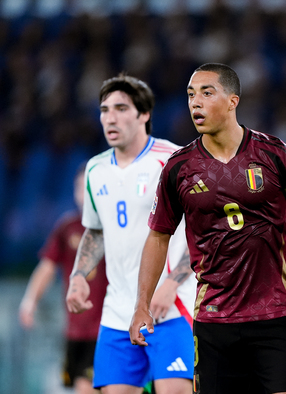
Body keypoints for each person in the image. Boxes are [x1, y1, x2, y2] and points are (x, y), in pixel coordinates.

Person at [129, 63, 286, 394]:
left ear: (232, 101)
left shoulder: (276, 155)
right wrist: (142, 302)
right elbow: (158, 236)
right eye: (190, 95)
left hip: (276, 316)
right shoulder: (178, 170)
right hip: (213, 322)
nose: (195, 102)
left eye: (206, 93)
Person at [66, 74, 196, 394]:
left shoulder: (173, 160)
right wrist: (79, 274)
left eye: (121, 108)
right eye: (104, 109)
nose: (110, 117)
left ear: (144, 114)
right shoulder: (95, 171)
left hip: (171, 306)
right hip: (118, 311)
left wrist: (172, 283)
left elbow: (204, 230)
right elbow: (96, 230)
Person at [19, 165, 107, 394]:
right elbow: (46, 267)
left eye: (91, 188)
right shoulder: (67, 227)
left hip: (110, 327)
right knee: (82, 387)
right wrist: (29, 301)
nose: (85, 194)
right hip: (76, 330)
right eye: (80, 188)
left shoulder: (117, 226)